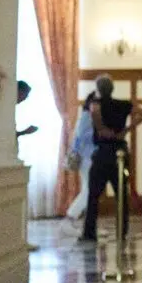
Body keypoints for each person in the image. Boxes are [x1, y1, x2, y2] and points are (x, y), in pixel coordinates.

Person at [81, 74, 142, 242]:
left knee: (93, 195)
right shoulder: (122, 104)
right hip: (119, 153)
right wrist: (127, 130)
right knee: (121, 194)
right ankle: (122, 232)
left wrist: (101, 128)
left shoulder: (96, 103)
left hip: (102, 152)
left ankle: (89, 233)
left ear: (99, 89)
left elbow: (92, 110)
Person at [65, 90, 99, 220]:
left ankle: (73, 217)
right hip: (87, 158)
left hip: (87, 158)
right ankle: (71, 216)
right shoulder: (87, 117)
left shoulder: (87, 116)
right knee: (89, 191)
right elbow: (83, 137)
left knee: (88, 190)